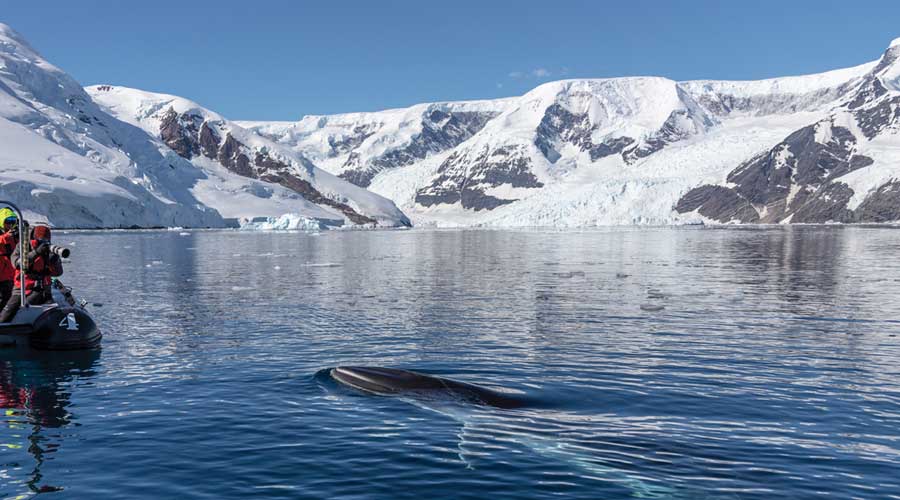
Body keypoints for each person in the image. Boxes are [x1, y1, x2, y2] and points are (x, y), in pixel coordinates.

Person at [0, 224, 63, 323]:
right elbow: (17, 264)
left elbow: (58, 273)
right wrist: (36, 252)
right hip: (22, 289)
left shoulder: (49, 250)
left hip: (44, 290)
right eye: (40, 239)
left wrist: (54, 262)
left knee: (54, 314)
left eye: (46, 239)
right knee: (6, 315)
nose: (43, 241)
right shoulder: (22, 247)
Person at [0, 208, 19, 314]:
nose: (11, 225)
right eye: (8, 222)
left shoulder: (15, 235)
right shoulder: (5, 237)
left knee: (10, 301)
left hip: (12, 276)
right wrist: (6, 237)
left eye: (13, 221)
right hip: (1, 276)